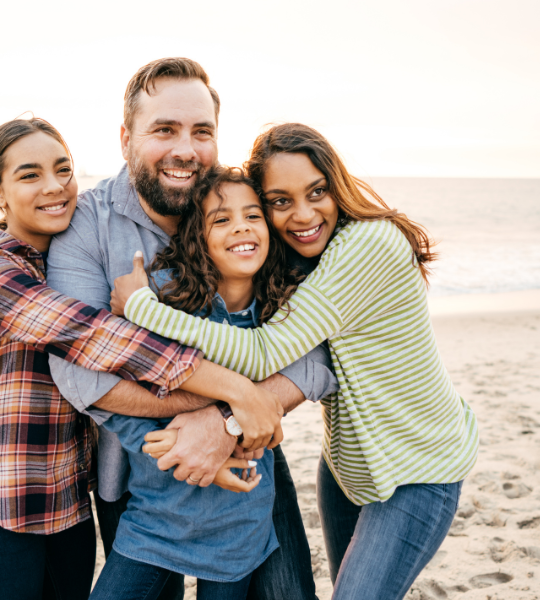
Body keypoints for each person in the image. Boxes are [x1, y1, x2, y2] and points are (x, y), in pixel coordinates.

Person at [113, 123, 479, 600]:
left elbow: (264, 351)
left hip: (419, 466)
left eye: (317, 192)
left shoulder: (368, 244)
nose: (303, 214)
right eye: (281, 202)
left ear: (337, 186)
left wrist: (143, 307)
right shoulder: (310, 256)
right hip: (349, 467)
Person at [0, 117, 283, 600]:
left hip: (68, 493)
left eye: (63, 169)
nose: (55, 186)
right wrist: (235, 391)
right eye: (30, 175)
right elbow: (90, 335)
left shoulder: (63, 254)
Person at [47, 59, 335, 600]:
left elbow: (318, 353)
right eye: (164, 130)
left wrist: (226, 423)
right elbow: (82, 374)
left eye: (201, 131)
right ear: (126, 137)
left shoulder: (247, 211)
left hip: (248, 467)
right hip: (140, 480)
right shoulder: (87, 225)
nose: (186, 149)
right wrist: (221, 408)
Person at [89, 166, 335, 600]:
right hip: (158, 516)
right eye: (220, 219)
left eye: (252, 215)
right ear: (197, 238)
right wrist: (182, 452)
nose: (240, 225)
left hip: (240, 522)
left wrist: (233, 427)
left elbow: (314, 373)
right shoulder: (165, 297)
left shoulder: (285, 312)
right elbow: (117, 402)